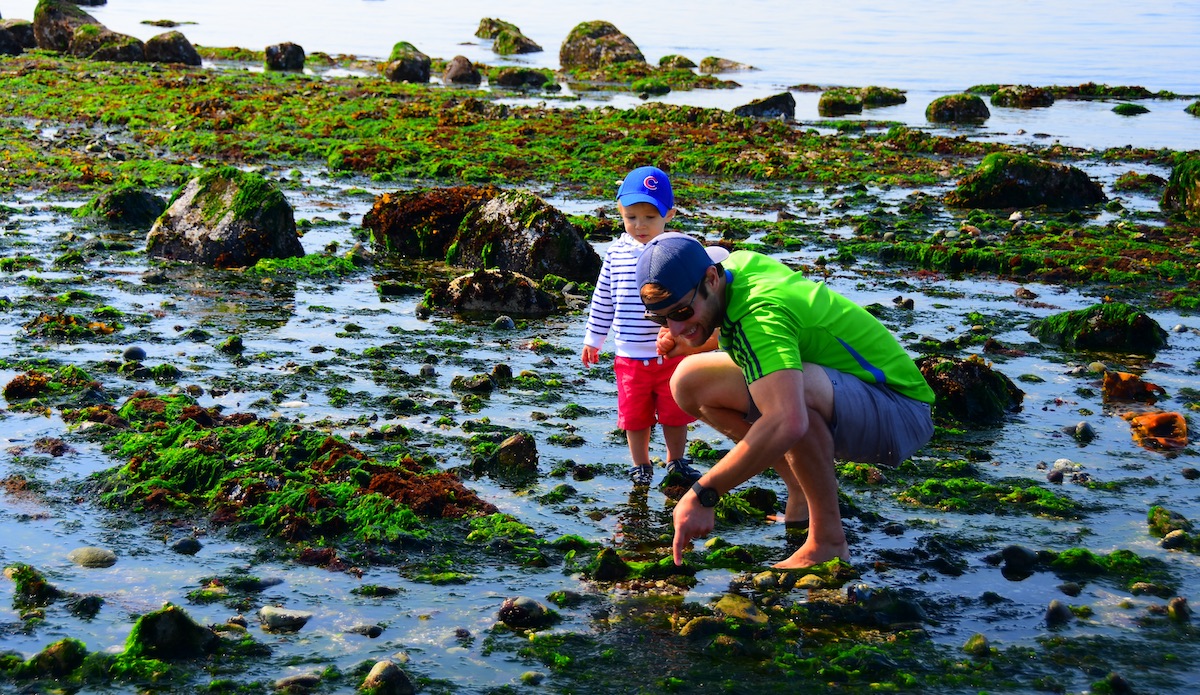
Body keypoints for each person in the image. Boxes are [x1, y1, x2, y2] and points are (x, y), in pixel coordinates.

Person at [636, 234, 935, 568]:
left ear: (711, 278)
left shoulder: (762, 316)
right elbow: (743, 332)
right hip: (852, 392)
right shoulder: (737, 267)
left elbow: (787, 420)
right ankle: (802, 489)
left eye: (682, 311)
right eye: (661, 319)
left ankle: (828, 540)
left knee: (790, 402)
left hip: (900, 412)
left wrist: (705, 493)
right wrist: (694, 337)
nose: (674, 328)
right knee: (690, 382)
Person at [582, 166, 713, 487]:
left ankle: (676, 460)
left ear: (669, 213)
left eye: (650, 217)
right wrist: (594, 338)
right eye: (631, 217)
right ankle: (640, 464)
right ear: (620, 212)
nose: (639, 226)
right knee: (635, 417)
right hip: (630, 357)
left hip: (673, 352)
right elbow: (604, 299)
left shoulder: (678, 251)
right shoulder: (615, 253)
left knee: (676, 412)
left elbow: (701, 295)